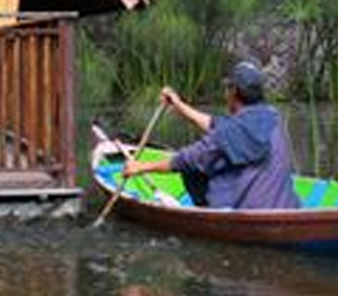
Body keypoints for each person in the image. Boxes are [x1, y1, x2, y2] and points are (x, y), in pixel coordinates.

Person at [122, 61, 299, 210]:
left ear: (233, 92)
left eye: (228, 88)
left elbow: (185, 160)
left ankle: (209, 214)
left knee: (192, 170)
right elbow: (217, 125)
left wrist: (140, 167)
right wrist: (178, 105)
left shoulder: (228, 133)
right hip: (287, 207)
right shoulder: (272, 116)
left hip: (252, 212)